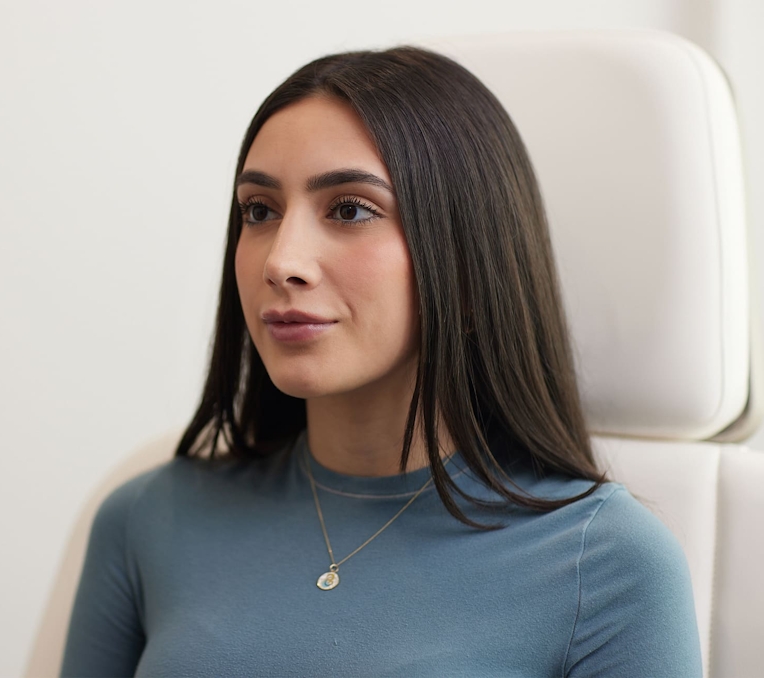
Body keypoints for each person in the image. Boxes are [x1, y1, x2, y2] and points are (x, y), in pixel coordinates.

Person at [60, 46, 702, 677]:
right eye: (260, 211)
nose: (281, 261)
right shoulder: (147, 519)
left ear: (467, 265)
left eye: (349, 210)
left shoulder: (606, 564)